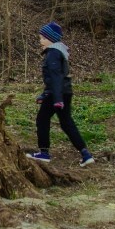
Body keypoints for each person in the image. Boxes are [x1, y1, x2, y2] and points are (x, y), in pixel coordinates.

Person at [26, 21, 95, 167]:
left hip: (57, 95)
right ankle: (85, 154)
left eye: (43, 38)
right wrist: (44, 95)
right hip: (64, 92)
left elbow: (56, 77)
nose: (40, 41)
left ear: (51, 39)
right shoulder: (59, 52)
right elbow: (54, 78)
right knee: (66, 123)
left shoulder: (53, 54)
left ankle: (43, 153)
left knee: (42, 119)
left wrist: (56, 99)